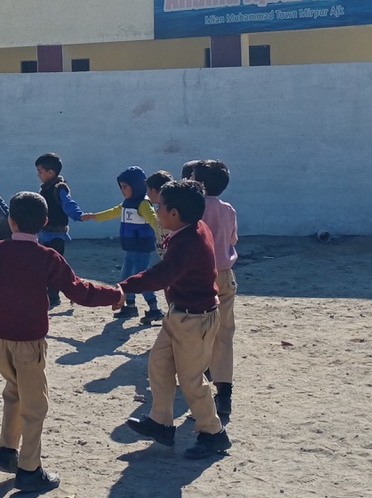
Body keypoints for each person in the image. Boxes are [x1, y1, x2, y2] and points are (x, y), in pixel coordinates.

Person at [0, 191, 123, 493]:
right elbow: (78, 291)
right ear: (44, 222)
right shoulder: (47, 257)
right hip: (29, 340)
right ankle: (29, 469)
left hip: (0, 338)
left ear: (10, 221)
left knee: (12, 392)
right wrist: (114, 295)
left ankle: (7, 450)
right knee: (35, 406)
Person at [121, 180, 232, 460]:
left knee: (192, 380)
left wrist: (123, 287)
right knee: (158, 363)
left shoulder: (188, 242)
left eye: (160, 206)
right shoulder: (190, 229)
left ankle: (214, 434)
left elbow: (161, 274)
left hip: (195, 320)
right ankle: (161, 423)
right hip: (179, 314)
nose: (156, 211)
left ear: (175, 213)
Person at [82, 166, 164, 322]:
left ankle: (154, 308)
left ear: (136, 186)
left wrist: (163, 236)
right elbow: (114, 211)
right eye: (121, 187)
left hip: (141, 248)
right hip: (131, 248)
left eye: (125, 187)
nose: (122, 190)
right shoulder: (128, 203)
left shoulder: (143, 204)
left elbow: (154, 221)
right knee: (125, 278)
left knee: (141, 279)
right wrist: (94, 216)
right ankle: (130, 306)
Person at [193, 159, 239, 420]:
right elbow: (233, 239)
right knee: (225, 332)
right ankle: (224, 392)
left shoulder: (195, 207)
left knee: (195, 329)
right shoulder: (228, 209)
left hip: (200, 274)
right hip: (225, 273)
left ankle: (197, 381)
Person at [34, 153, 84, 308]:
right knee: (43, 264)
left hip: (57, 234)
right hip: (43, 233)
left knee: (55, 265)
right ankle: (46, 295)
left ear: (51, 173)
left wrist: (79, 215)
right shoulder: (44, 190)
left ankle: (54, 296)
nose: (38, 175)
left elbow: (68, 204)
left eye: (40, 172)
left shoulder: (59, 188)